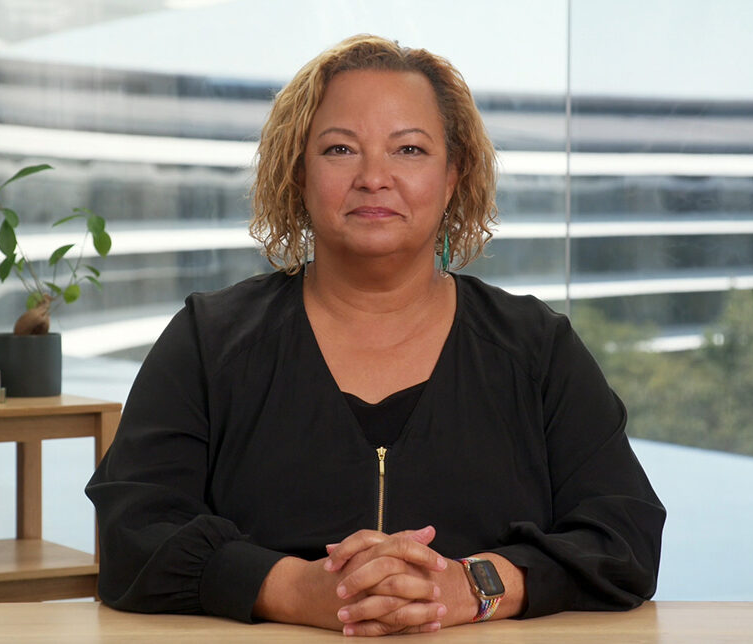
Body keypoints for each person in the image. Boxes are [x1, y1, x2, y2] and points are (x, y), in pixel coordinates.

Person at [86, 34, 665, 637]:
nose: (374, 177)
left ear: (452, 177)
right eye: (340, 149)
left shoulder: (537, 348)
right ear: (298, 174)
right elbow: (133, 532)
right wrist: (293, 589)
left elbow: (624, 537)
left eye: (409, 149)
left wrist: (471, 586)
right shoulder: (208, 341)